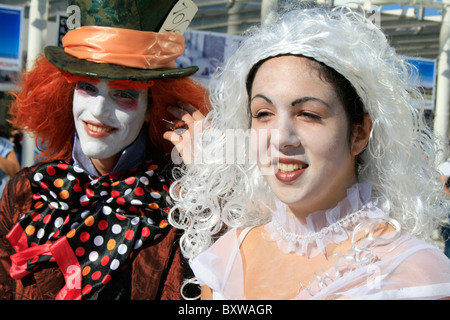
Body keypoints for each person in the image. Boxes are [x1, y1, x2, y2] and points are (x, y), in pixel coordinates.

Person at [166, 4, 450, 299]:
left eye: (309, 114)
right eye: (263, 113)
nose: (281, 138)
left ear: (360, 133)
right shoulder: (227, 260)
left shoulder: (415, 275)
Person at [0, 0, 208, 300]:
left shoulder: (179, 206)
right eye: (87, 86)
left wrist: (207, 180)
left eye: (123, 94)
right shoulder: (26, 191)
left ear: (152, 107)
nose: (97, 111)